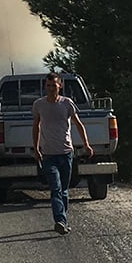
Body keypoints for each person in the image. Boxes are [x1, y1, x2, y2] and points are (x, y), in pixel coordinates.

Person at [32, 73, 93, 235]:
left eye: (54, 85)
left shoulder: (67, 103)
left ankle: (63, 221)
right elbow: (36, 127)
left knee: (64, 190)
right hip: (48, 155)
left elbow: (78, 124)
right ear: (45, 87)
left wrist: (86, 144)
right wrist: (36, 148)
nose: (51, 88)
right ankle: (59, 219)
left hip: (66, 153)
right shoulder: (39, 105)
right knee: (56, 187)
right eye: (48, 86)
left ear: (60, 86)